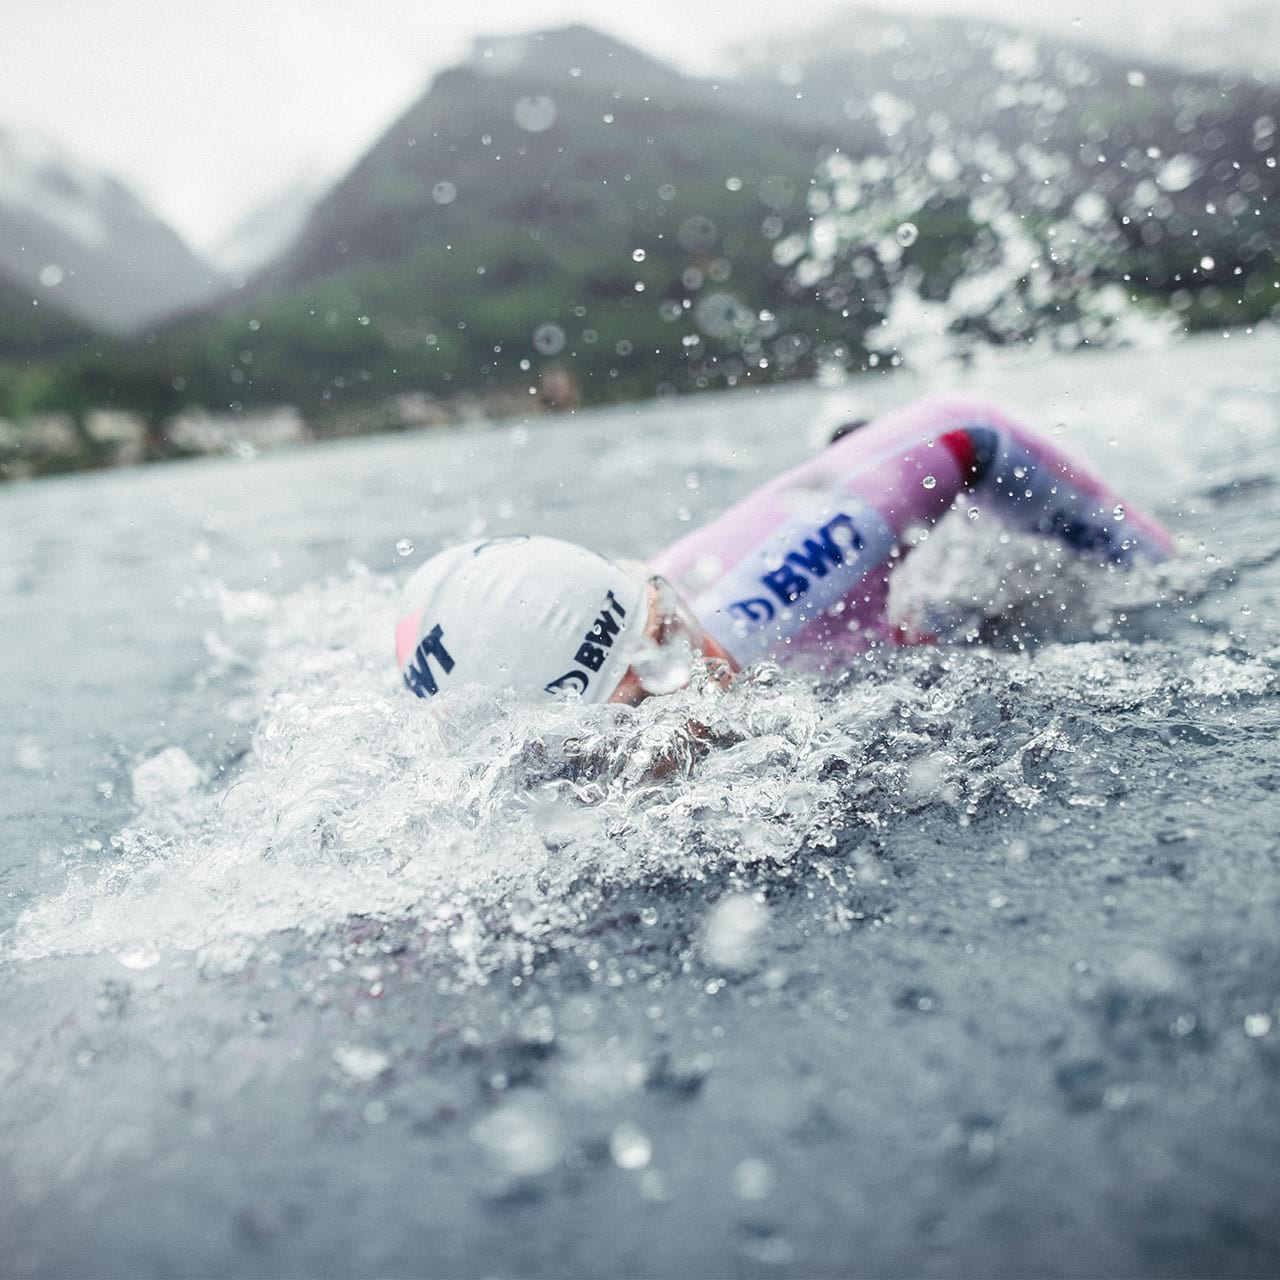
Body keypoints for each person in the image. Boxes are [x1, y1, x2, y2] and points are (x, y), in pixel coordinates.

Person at [395, 396, 1173, 706]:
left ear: (663, 624)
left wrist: (1141, 565)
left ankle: (849, 448)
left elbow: (964, 431)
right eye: (584, 755)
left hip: (898, 584)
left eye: (644, 708)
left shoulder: (775, 591)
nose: (634, 765)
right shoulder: (514, 755)